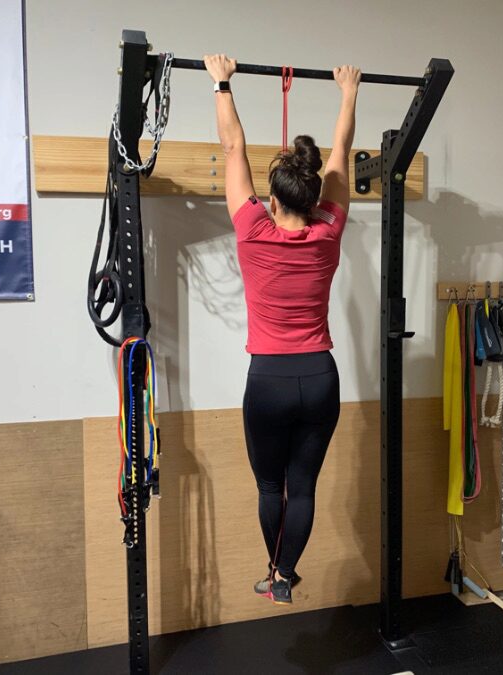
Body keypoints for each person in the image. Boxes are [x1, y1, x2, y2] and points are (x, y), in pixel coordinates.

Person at [203, 54, 360, 605]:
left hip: (267, 380)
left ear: (271, 201)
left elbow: (232, 148)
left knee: (272, 487)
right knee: (305, 486)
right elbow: (340, 154)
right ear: (314, 200)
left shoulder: (251, 229)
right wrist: (347, 91)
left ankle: (273, 573)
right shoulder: (329, 230)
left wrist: (222, 82)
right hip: (319, 376)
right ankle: (284, 575)